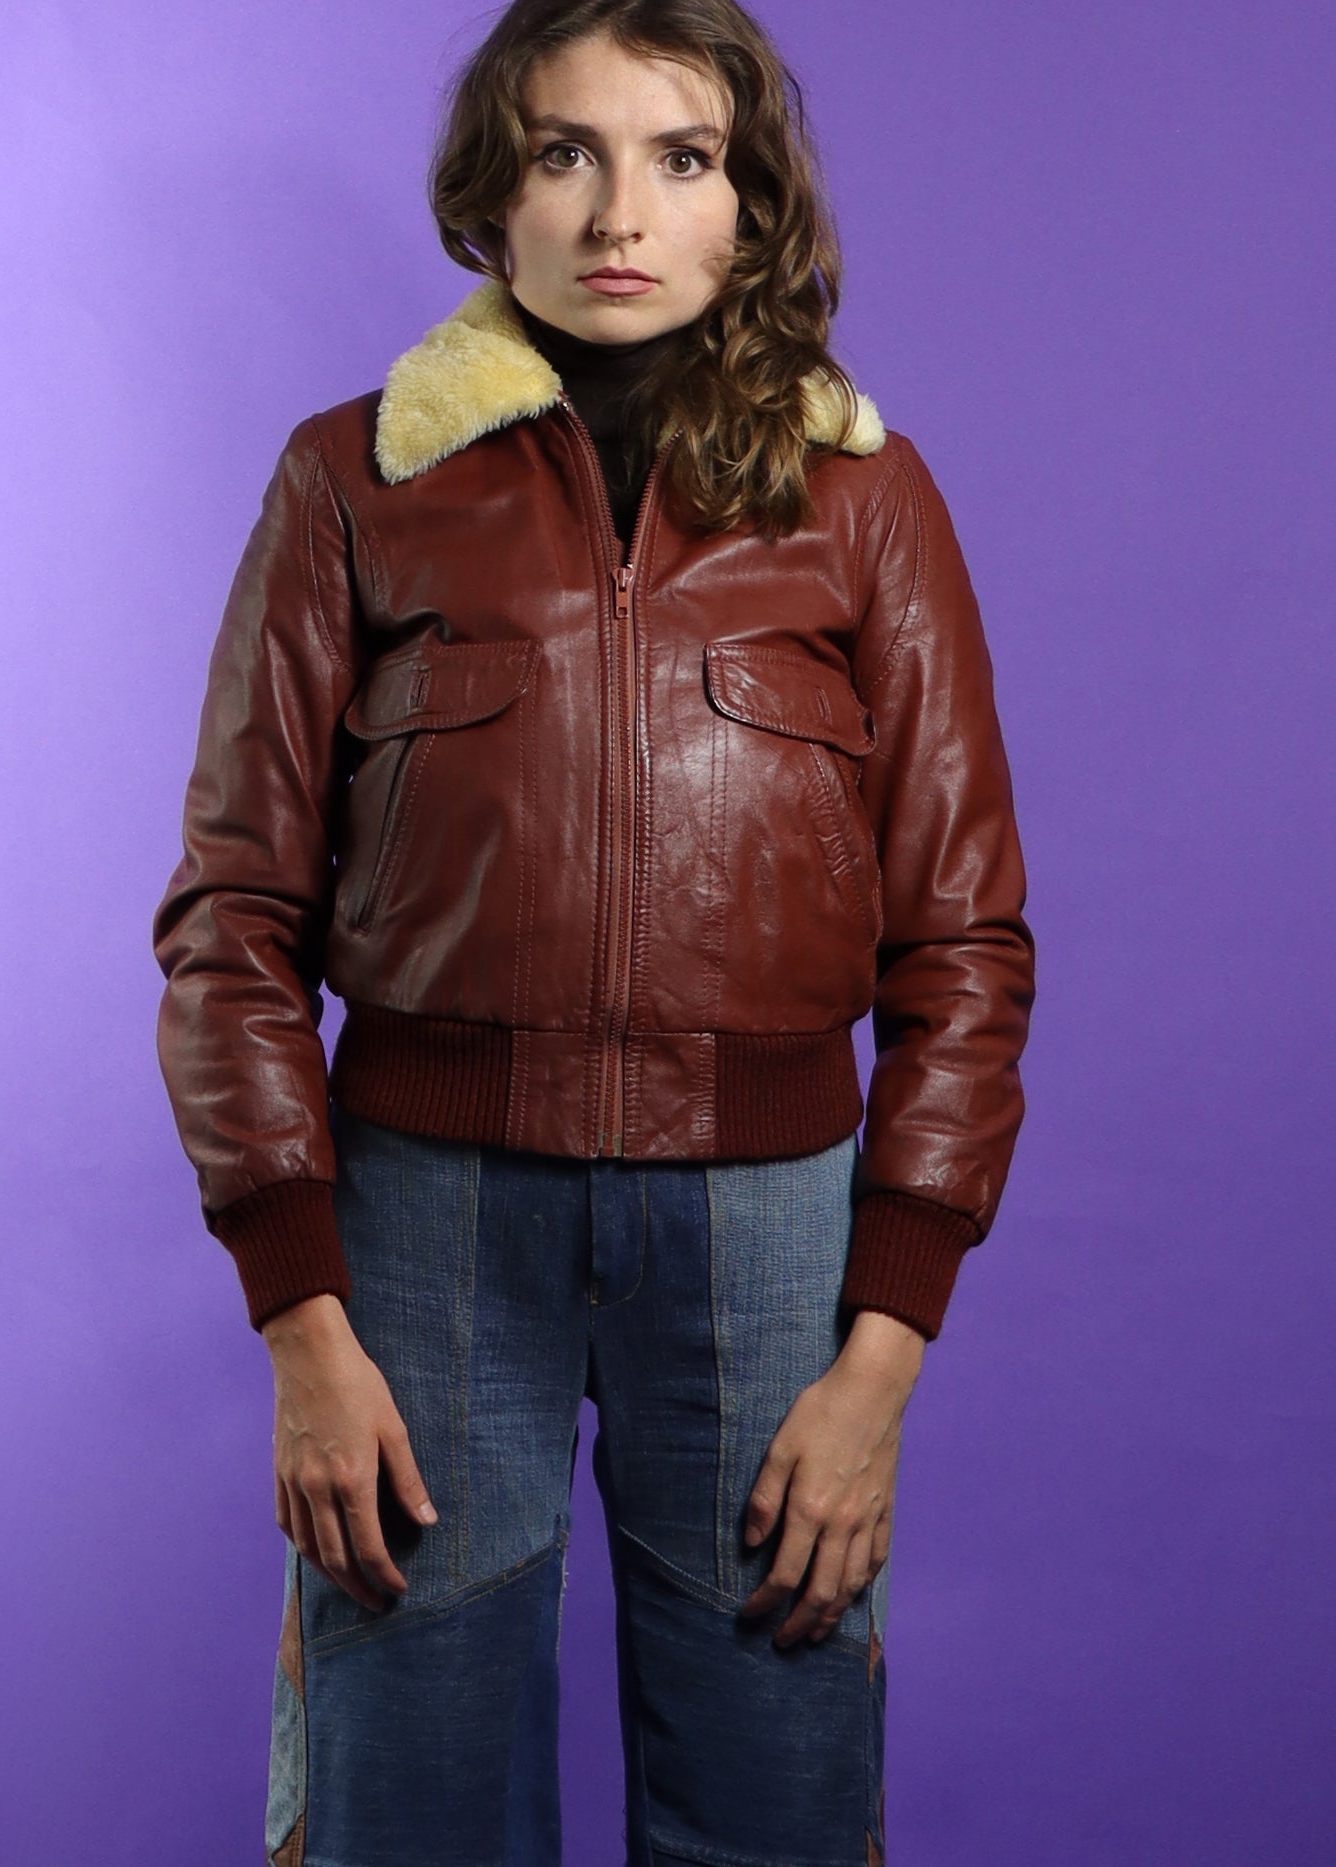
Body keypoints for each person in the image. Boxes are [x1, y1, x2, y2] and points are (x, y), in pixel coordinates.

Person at [151, 3, 1036, 1862]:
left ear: (746, 205)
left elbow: (964, 947)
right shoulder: (351, 481)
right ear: (495, 193)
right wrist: (302, 1323)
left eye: (680, 158)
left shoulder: (865, 500)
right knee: (409, 1793)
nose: (618, 211)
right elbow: (232, 920)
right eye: (566, 152)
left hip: (766, 1237)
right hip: (427, 1226)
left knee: (777, 1782)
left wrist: (881, 1358)